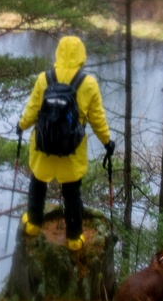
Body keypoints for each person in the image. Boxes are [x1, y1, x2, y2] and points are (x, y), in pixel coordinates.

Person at [17, 35, 115, 251]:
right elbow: (97, 119)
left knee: (37, 184)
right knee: (72, 193)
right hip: (70, 152)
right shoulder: (88, 83)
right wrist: (107, 142)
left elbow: (32, 111)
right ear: (82, 56)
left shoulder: (44, 78)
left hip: (43, 147)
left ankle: (33, 223)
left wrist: (21, 126)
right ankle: (74, 237)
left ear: (58, 53)